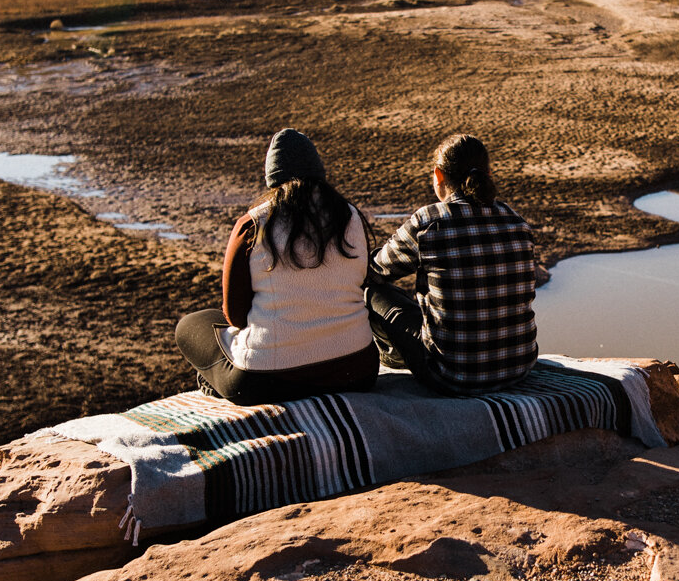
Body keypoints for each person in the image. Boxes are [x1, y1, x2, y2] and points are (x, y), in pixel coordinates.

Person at [174, 128, 378, 405]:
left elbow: (234, 315)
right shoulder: (350, 216)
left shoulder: (254, 224)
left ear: (272, 179)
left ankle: (215, 387)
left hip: (267, 381)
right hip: (356, 369)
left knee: (191, 325)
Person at [367, 134, 539, 394]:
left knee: (372, 293)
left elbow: (375, 271)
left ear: (438, 176)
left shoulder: (428, 221)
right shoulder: (517, 221)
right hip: (519, 368)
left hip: (450, 376)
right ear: (488, 173)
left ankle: (392, 360)